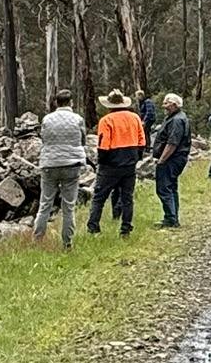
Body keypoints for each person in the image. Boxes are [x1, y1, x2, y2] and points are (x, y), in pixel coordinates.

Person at [86, 89, 147, 236]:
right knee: (127, 198)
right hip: (129, 163)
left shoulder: (106, 120)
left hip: (110, 164)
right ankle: (126, 228)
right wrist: (136, 157)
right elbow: (142, 140)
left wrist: (101, 162)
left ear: (109, 105)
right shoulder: (135, 118)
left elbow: (103, 144)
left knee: (99, 198)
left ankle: (93, 228)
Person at [32, 89, 86, 249]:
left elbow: (44, 139)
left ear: (56, 102)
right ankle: (67, 243)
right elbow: (82, 140)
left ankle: (37, 240)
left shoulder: (47, 119)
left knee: (45, 204)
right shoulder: (77, 119)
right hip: (72, 163)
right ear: (71, 102)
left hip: (50, 164)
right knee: (68, 206)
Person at [152, 93, 192, 229]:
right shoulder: (177, 117)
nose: (164, 106)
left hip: (172, 159)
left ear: (174, 104)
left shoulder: (176, 120)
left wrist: (162, 160)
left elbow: (172, 143)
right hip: (175, 158)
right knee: (171, 187)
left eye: (166, 103)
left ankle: (170, 219)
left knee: (164, 188)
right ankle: (173, 218)